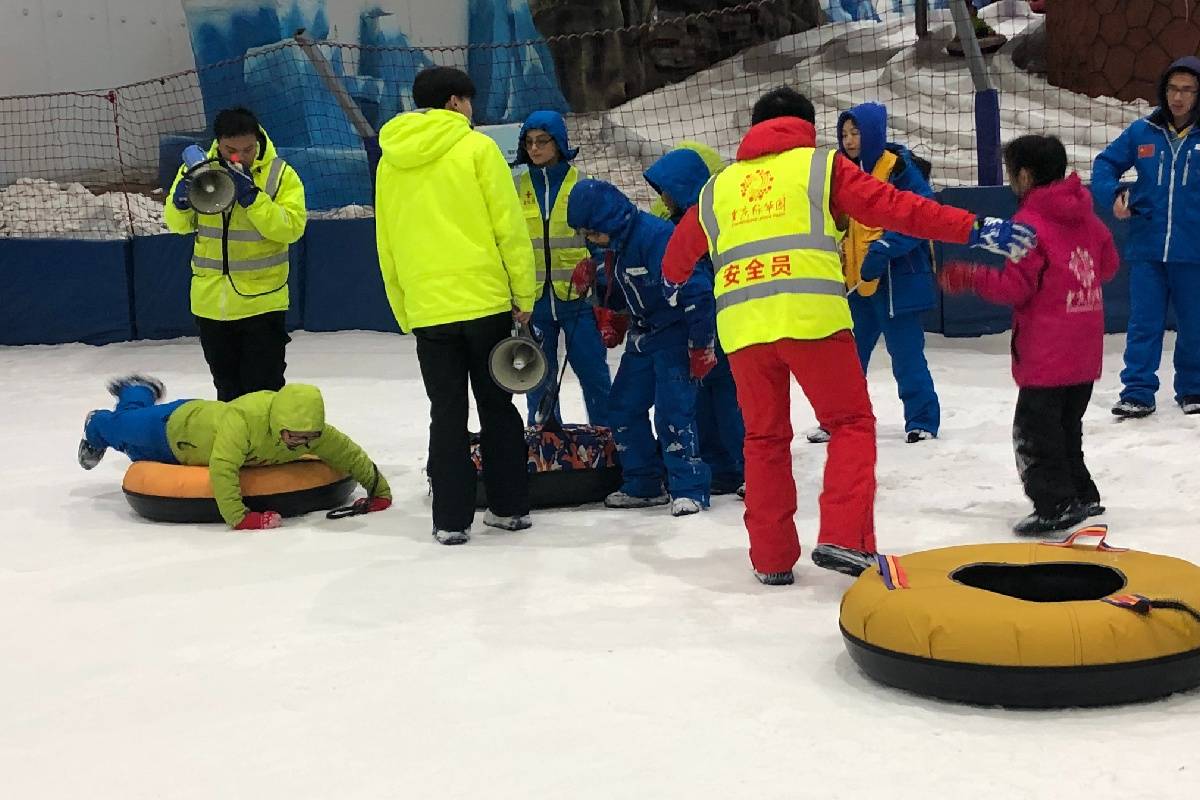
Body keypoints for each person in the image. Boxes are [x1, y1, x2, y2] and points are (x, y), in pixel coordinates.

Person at [661, 86, 1037, 585]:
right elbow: (898, 208)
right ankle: (844, 536)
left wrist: (669, 285)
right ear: (804, 126)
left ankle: (771, 559)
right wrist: (974, 228)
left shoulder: (717, 188)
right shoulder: (821, 167)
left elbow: (675, 260)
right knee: (850, 424)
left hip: (743, 330)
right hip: (812, 318)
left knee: (764, 438)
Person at [375, 66, 535, 545]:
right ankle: (507, 508)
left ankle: (450, 520)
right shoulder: (478, 148)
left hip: (429, 309)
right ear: (453, 103)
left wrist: (404, 307)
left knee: (446, 414)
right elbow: (508, 226)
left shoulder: (390, 161)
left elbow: (386, 240)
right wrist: (522, 296)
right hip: (484, 303)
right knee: (498, 408)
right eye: (469, 100)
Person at [940, 135, 1119, 534]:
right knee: (1067, 426)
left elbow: (1014, 288)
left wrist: (970, 275)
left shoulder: (1028, 225)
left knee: (1035, 434)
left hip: (1046, 352)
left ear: (1024, 175)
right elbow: (1108, 265)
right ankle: (1081, 493)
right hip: (1084, 348)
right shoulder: (1086, 216)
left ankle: (1054, 504)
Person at [567, 178, 714, 517]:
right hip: (643, 334)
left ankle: (689, 488)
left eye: (592, 233)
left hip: (677, 333)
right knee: (621, 407)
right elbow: (627, 290)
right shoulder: (614, 247)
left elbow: (698, 291)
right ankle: (644, 482)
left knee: (673, 411)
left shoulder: (657, 238)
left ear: (609, 220)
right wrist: (598, 286)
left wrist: (700, 345)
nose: (590, 240)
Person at [77, 375, 392, 530]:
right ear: (279, 423)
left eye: (307, 438)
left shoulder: (316, 435)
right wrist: (241, 519)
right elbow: (223, 466)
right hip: (175, 427)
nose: (299, 444)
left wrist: (379, 491)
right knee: (121, 431)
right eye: (293, 436)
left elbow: (351, 455)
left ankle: (137, 389)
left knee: (132, 440)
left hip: (187, 441)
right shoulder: (243, 422)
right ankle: (96, 424)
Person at [164, 107, 307, 402]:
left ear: (258, 141)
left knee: (264, 391)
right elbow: (178, 226)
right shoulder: (199, 169)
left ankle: (266, 448)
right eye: (232, 150)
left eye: (248, 149)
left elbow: (291, 228)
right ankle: (236, 447)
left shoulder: (281, 175)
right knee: (227, 390)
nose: (240, 157)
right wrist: (179, 204)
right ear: (218, 143)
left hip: (262, 303)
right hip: (211, 305)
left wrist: (254, 200)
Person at [1093, 57, 1200, 419]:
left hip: (1194, 251)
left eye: (1187, 90)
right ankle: (1137, 391)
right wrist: (1113, 195)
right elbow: (1104, 164)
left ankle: (1193, 387)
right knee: (1143, 323)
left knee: (1195, 324)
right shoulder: (1142, 132)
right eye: (1173, 88)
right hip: (1147, 247)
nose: (1178, 97)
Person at [833, 102, 940, 444]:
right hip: (854, 283)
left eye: (856, 133)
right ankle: (840, 418)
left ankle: (922, 420)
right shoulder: (839, 173)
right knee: (846, 358)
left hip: (896, 283)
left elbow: (923, 215)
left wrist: (884, 249)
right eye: (844, 134)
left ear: (874, 133)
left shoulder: (900, 170)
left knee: (906, 356)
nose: (849, 141)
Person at [644, 147, 746, 496]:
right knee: (703, 400)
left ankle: (746, 467)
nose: (664, 197)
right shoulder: (674, 226)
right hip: (696, 325)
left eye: (668, 190)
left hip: (723, 321)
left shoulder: (711, 223)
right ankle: (720, 467)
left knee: (730, 400)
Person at [514, 110, 613, 427]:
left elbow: (603, 243)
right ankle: (544, 452)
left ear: (559, 143)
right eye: (528, 142)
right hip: (533, 305)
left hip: (578, 302)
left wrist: (596, 274)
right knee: (537, 382)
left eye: (542, 141)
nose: (534, 148)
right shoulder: (513, 188)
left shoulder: (582, 186)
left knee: (595, 376)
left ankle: (608, 445)